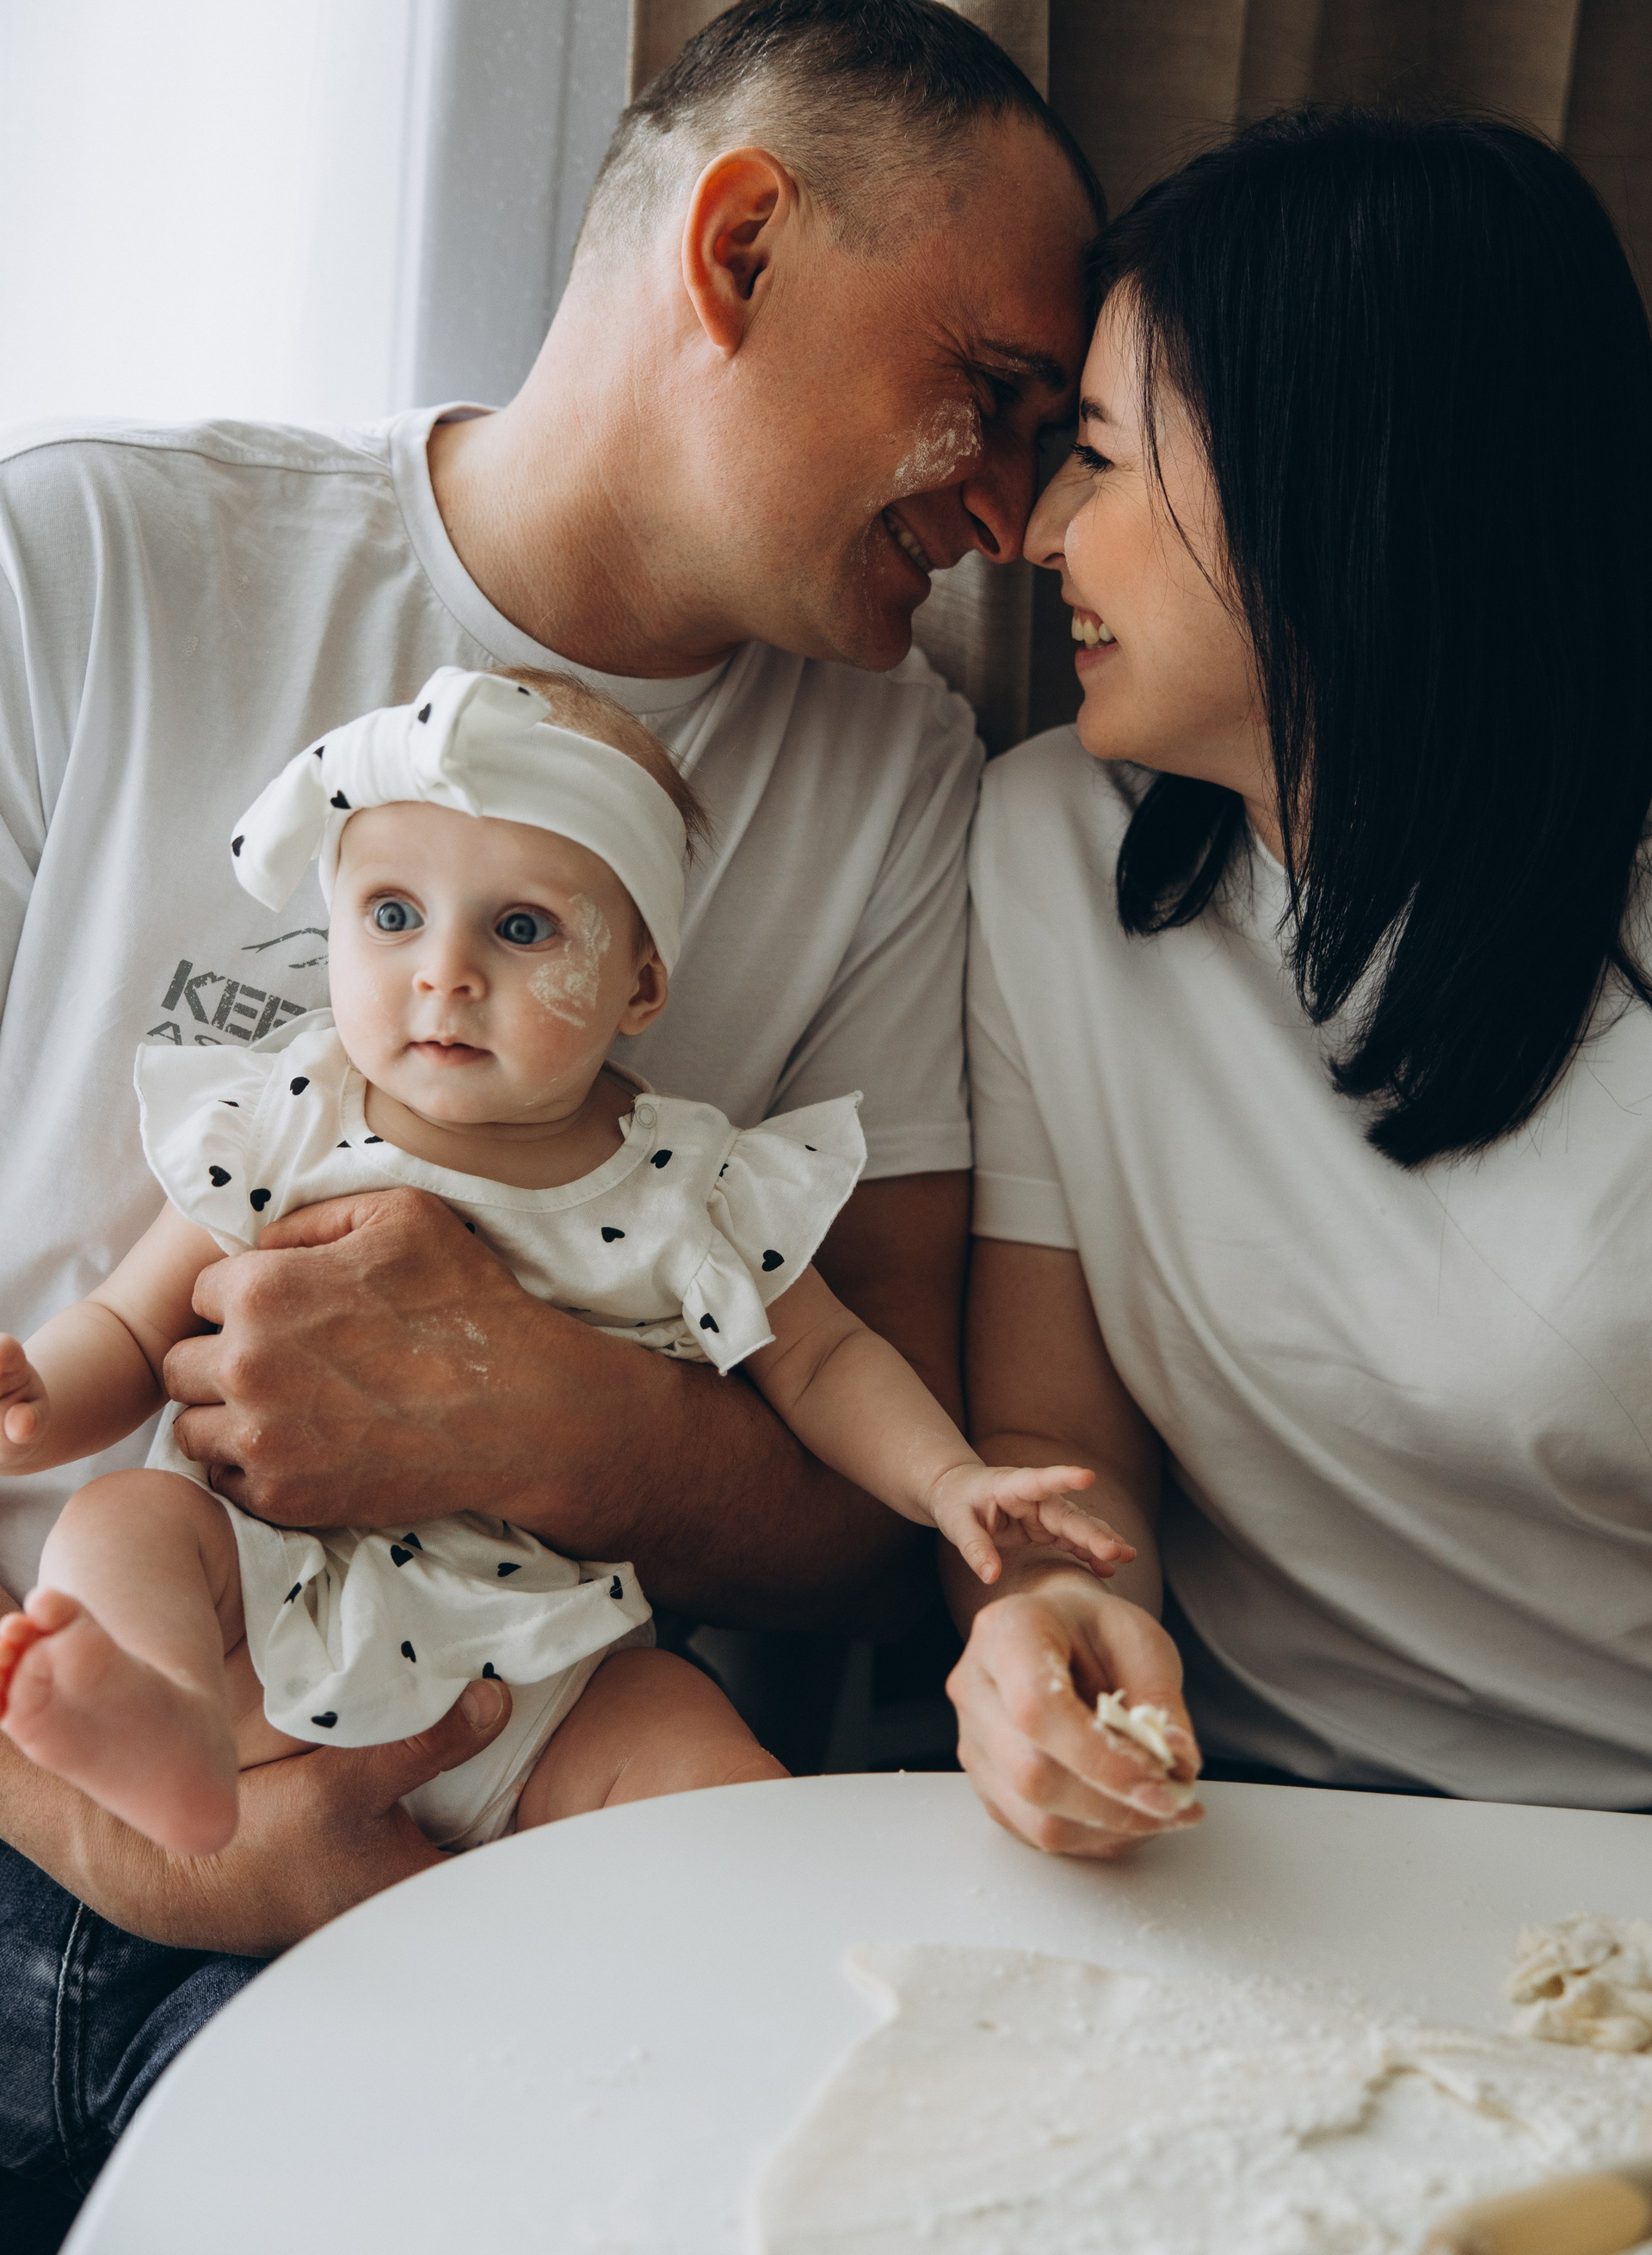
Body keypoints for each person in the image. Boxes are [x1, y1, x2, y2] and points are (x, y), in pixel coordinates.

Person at [0, 0, 1096, 2229]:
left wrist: (543, 1416)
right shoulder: (82, 572)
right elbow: (87, 1363)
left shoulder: (902, 788)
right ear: (739, 246)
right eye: (989, 397)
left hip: (492, 1812)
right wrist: (151, 1831)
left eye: (1055, 439)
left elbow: (882, 1519)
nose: (1011, 514)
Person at [0, 667, 1125, 1858]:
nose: (443, 971)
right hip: (262, 1613)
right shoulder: (286, 1119)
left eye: (522, 928)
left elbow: (828, 1361)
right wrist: (35, 1401)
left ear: (639, 984)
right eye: (392, 914)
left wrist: (947, 1481)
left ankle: (745, 1899)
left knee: (704, 1763)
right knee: (122, 1526)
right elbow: (131, 1328)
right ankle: (163, 1719)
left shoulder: (687, 1181)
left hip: (538, 1672)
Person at [945, 106, 1652, 1858]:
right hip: (1231, 1839)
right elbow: (1052, 1431)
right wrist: (1042, 1623)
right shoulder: (1048, 849)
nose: (1037, 535)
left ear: (1342, 488)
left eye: (1097, 457)